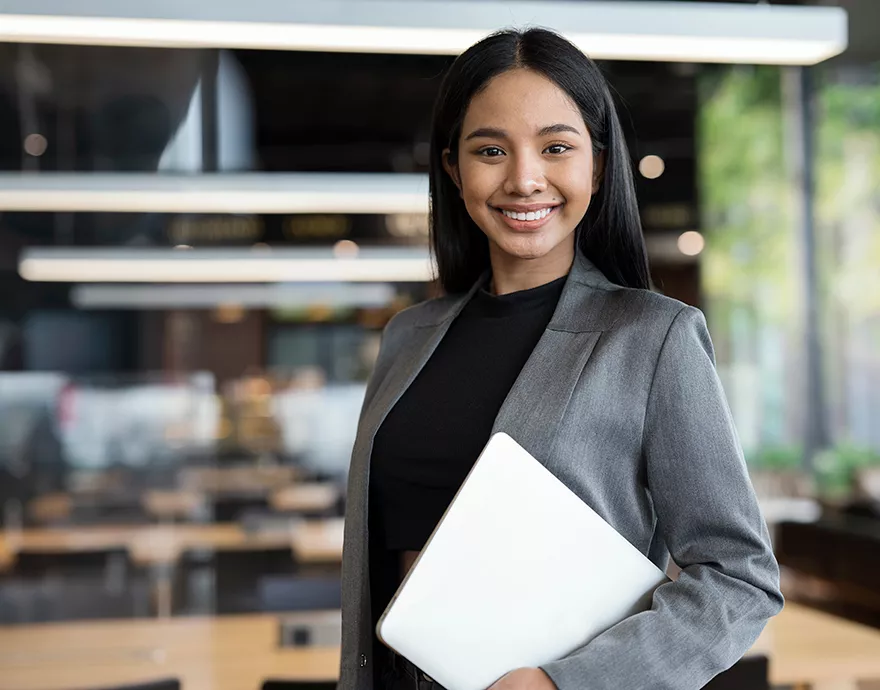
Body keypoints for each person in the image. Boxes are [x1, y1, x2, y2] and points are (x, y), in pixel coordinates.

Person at [339, 27, 784, 690]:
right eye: (491, 149)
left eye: (556, 147)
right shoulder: (409, 337)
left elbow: (740, 577)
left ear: (597, 166)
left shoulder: (653, 338)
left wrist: (564, 684)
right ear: (454, 169)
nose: (524, 179)